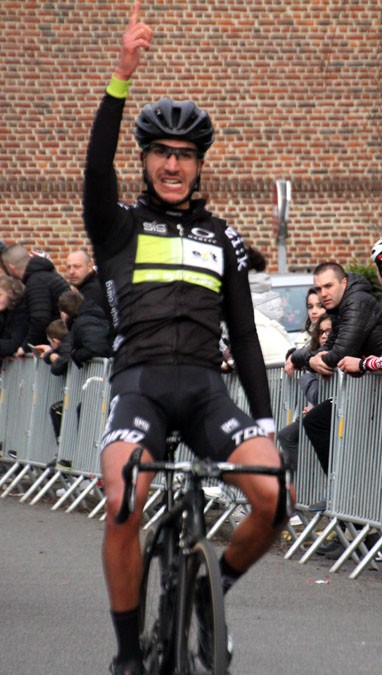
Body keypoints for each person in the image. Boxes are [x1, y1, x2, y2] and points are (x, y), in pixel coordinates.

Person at [83, 6, 287, 673]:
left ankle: (209, 587)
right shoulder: (117, 227)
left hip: (204, 390)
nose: (173, 164)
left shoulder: (221, 237)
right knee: (123, 501)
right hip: (138, 386)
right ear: (145, 160)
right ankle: (124, 653)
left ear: (199, 165)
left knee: (273, 494)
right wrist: (121, 76)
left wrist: (265, 419)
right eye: (162, 153)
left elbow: (247, 339)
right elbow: (93, 171)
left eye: (186, 155)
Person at [301, 262, 382, 477]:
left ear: (344, 282)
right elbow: (325, 349)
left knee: (316, 421)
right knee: (312, 422)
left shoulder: (356, 302)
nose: (323, 294)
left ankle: (340, 490)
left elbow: (338, 353)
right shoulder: (340, 307)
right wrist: (308, 359)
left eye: (328, 286)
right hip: (366, 387)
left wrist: (311, 360)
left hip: (381, 385)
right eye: (319, 289)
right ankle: (338, 491)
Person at [277, 315, 332, 472]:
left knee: (289, 435)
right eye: (321, 332)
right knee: (285, 435)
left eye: (329, 331)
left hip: (334, 413)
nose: (324, 335)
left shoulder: (330, 356)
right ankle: (297, 485)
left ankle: (301, 487)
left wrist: (306, 371)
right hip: (315, 411)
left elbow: (319, 396)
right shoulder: (313, 354)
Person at [2, 244, 70, 350]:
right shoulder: (45, 276)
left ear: (11, 267)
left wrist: (27, 346)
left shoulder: (36, 282)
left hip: (61, 343)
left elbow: (40, 318)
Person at [57, 289, 113, 368]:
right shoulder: (91, 316)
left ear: (63, 313)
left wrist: (75, 355)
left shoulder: (83, 322)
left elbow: (97, 348)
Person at [65, 249, 109, 314]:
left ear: (90, 267)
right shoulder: (88, 287)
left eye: (77, 266)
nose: (71, 272)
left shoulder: (93, 292)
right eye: (69, 267)